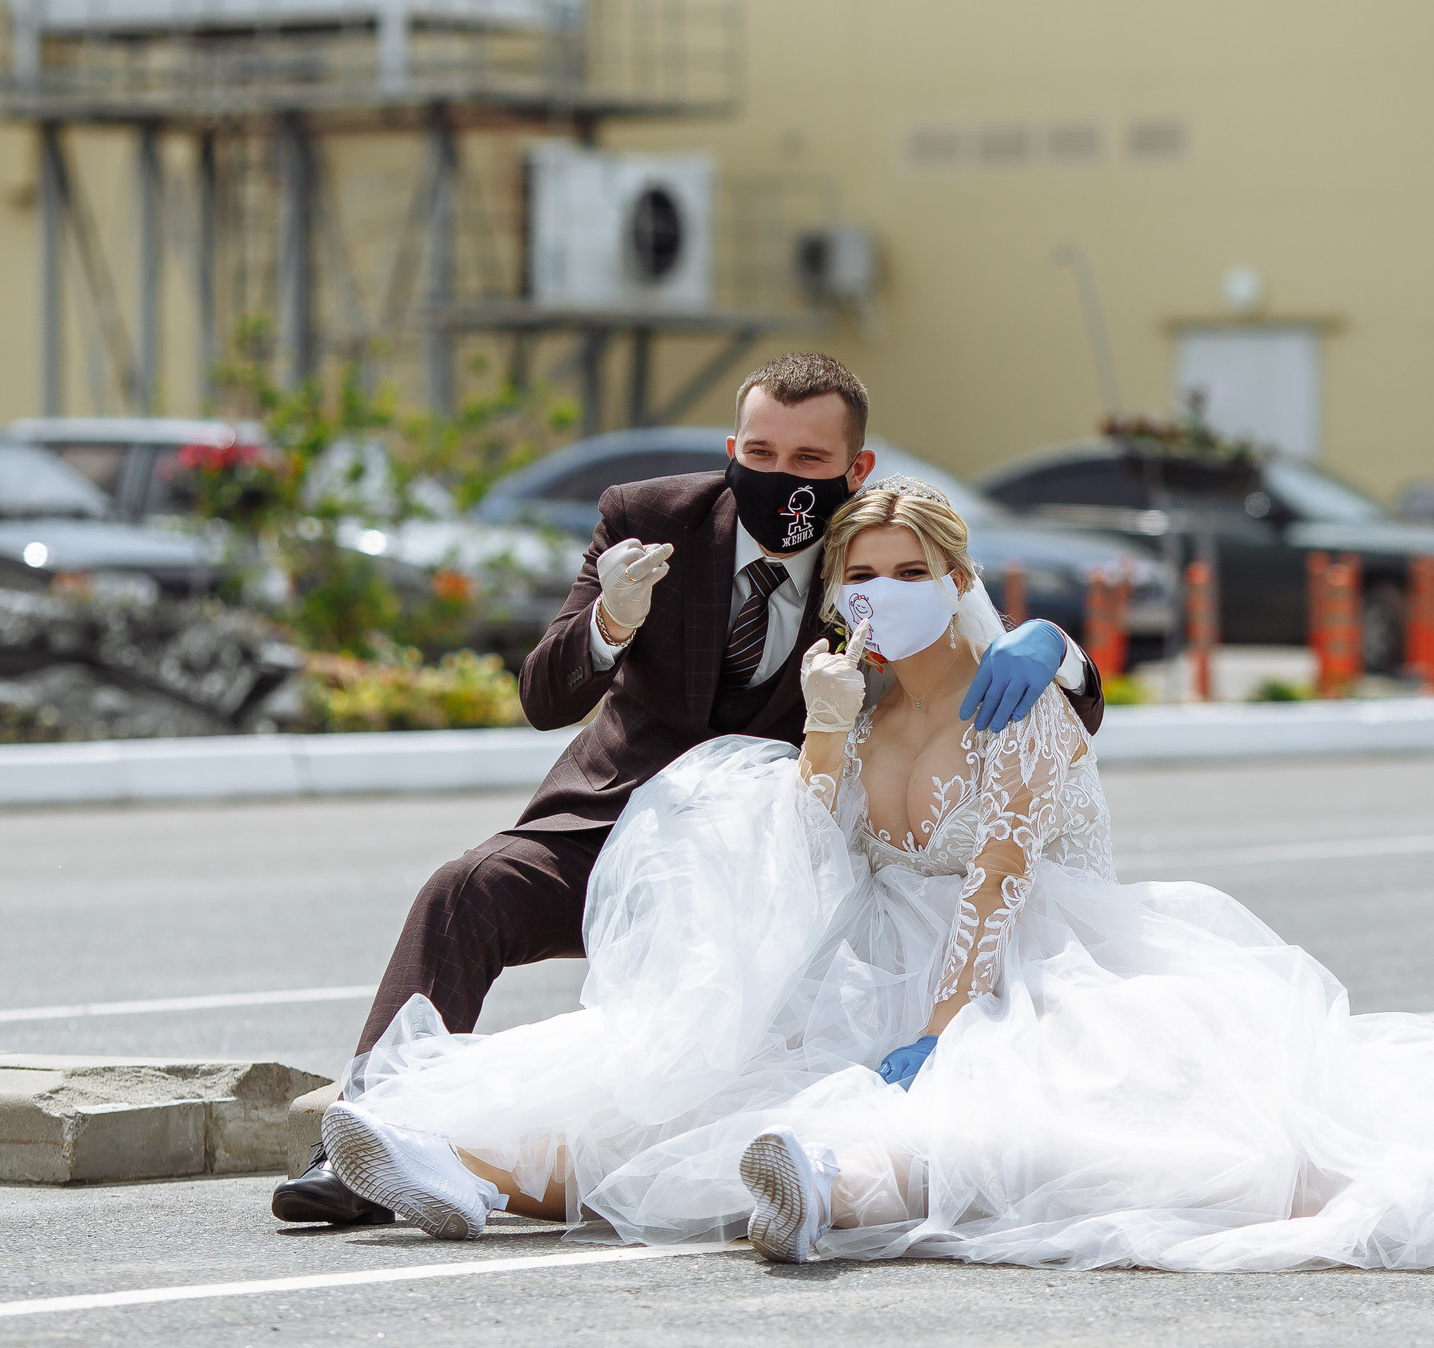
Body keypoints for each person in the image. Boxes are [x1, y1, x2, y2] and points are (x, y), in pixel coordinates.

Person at [314, 478, 1434, 1272]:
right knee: (689, 1083)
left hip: (1024, 965)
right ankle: (461, 1169)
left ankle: (826, 1193)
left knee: (989, 1113)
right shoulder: (859, 690)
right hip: (868, 945)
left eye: (901, 570)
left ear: (954, 576)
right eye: (859, 575)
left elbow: (996, 883)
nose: (875, 592)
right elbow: (803, 846)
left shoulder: (1019, 697)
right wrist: (828, 731)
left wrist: (937, 1028)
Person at [271, 355, 1105, 1226]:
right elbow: (543, 695)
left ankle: (503, 1164)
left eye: (809, 462)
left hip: (766, 866)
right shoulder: (648, 519)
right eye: (760, 450)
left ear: (853, 470)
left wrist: (1056, 641)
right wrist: (608, 623)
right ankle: (358, 1143)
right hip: (617, 817)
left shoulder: (868, 559)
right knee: (464, 891)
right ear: (731, 448)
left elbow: (1018, 700)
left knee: (699, 1072)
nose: (780, 476)